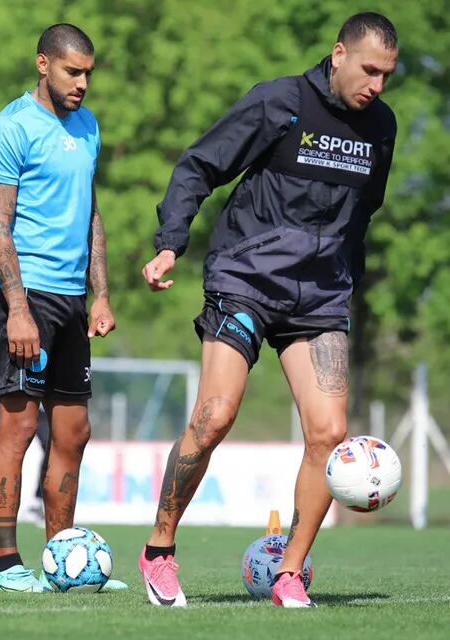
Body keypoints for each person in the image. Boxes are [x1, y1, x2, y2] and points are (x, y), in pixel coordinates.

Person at [138, 13, 398, 608]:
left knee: (330, 434)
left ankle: (290, 572)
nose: (377, 85)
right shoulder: (278, 102)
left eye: (387, 74)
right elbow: (198, 166)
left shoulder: (382, 126)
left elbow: (368, 206)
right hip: (246, 278)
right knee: (215, 415)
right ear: (338, 54)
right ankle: (158, 549)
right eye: (369, 70)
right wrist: (170, 241)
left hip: (321, 296)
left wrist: (343, 275)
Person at [0, 23, 124, 593]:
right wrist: (17, 307)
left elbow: (90, 214)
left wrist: (102, 293)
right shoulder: (10, 127)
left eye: (89, 72)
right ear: (43, 64)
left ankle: (60, 557)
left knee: (74, 432)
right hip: (26, 296)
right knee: (17, 428)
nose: (83, 83)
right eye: (73, 71)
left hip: (71, 299)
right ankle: (4, 566)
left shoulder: (87, 127)